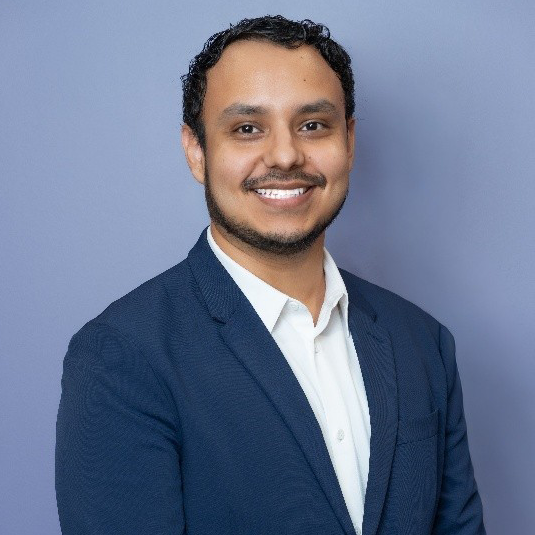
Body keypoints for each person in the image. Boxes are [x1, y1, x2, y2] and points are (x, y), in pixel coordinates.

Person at [55, 15, 485, 535]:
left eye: (313, 125)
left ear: (349, 141)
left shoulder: (422, 342)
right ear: (196, 152)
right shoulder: (121, 357)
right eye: (247, 129)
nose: (285, 155)